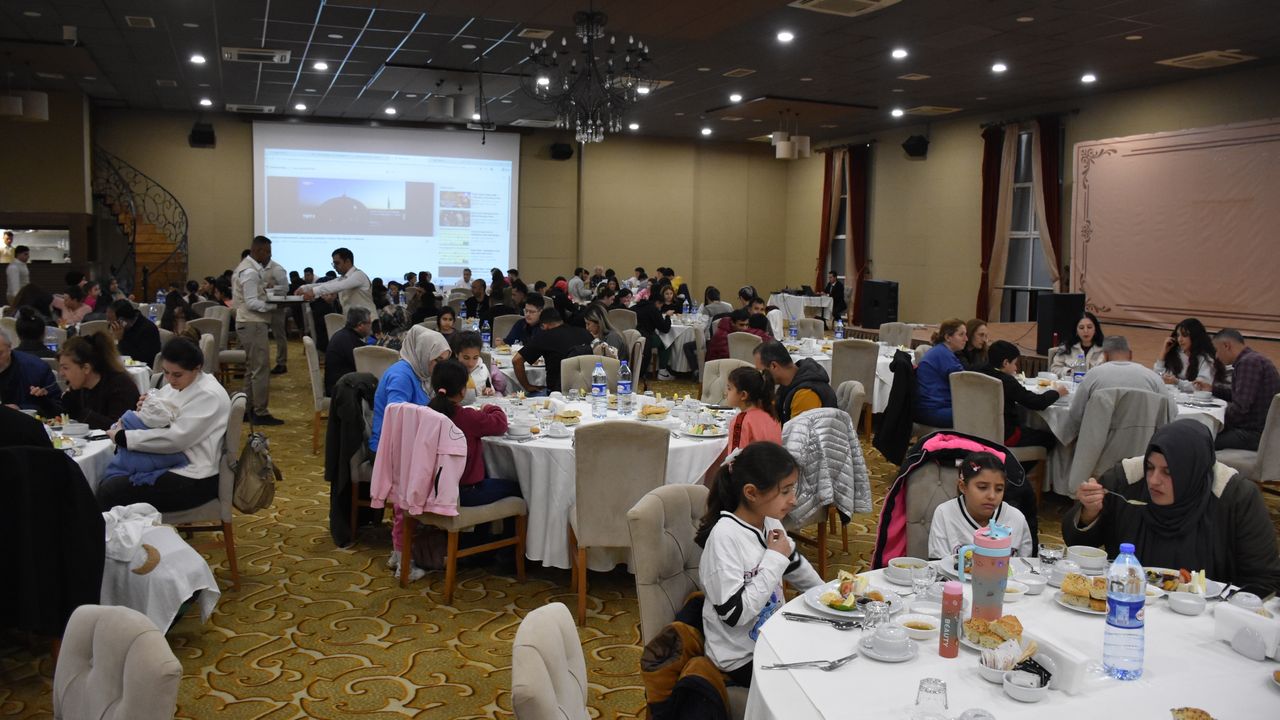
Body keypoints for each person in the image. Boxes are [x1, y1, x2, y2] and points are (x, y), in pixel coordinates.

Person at [1064, 420, 1280, 593]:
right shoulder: (1127, 481)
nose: (1153, 480)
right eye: (1150, 467)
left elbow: (1263, 578)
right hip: (1127, 600)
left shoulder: (1234, 497)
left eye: (1168, 472)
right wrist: (1089, 513)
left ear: (1192, 472)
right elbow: (1079, 546)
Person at [695, 442, 821, 687]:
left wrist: (827, 594)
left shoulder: (769, 521)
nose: (794, 500)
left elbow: (795, 565)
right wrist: (774, 559)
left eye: (792, 489)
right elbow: (734, 614)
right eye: (785, 491)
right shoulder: (725, 537)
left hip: (772, 638)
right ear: (751, 493)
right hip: (739, 658)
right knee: (812, 684)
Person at [97, 337, 232, 513]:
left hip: (196, 476)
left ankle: (112, 530)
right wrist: (145, 409)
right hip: (173, 462)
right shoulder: (179, 385)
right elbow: (159, 416)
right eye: (166, 372)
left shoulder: (209, 395)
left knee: (110, 491)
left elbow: (176, 439)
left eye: (177, 374)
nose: (170, 380)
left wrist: (124, 437)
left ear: (197, 368)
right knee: (104, 477)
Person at [427, 358, 519, 521]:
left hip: (431, 489)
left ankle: (479, 534)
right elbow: (500, 424)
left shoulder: (427, 412)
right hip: (465, 492)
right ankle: (499, 537)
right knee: (518, 488)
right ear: (463, 390)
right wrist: (489, 407)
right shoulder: (466, 417)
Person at [928, 451, 1033, 560]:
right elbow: (937, 564)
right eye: (982, 487)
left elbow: (1026, 566)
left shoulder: (1016, 518)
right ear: (963, 486)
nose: (992, 496)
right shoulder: (945, 513)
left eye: (999, 489)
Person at [369, 325, 451, 453]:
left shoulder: (423, 374)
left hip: (410, 443)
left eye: (445, 361)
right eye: (438, 360)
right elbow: (396, 420)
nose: (442, 367)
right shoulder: (401, 376)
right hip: (387, 450)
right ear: (423, 353)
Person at [1064, 335, 1166, 439]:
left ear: (1105, 356)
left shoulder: (1092, 375)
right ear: (1130, 354)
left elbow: (1076, 414)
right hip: (1143, 445)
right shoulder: (1154, 378)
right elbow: (1169, 414)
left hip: (1098, 444)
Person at [33, 334, 139, 430]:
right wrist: (44, 402)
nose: (61, 373)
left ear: (86, 368)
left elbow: (116, 427)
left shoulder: (120, 385)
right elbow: (65, 416)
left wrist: (78, 411)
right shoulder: (80, 386)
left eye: (65, 368)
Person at [232, 235, 283, 425]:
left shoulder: (247, 268)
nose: (269, 256)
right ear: (258, 250)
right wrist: (274, 306)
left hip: (248, 322)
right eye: (268, 252)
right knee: (261, 369)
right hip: (252, 322)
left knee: (251, 368)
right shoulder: (250, 272)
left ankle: (247, 409)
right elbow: (252, 302)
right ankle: (260, 411)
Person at [1202, 328, 1280, 452]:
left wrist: (1212, 412)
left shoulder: (1249, 363)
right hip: (1257, 429)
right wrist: (1212, 389)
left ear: (1226, 346)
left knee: (1200, 440)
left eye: (1216, 350)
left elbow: (1240, 408)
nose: (1216, 356)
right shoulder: (1252, 359)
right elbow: (1239, 396)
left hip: (1253, 433)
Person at [982, 340, 1064, 450]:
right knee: (1050, 439)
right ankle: (1016, 462)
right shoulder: (1006, 381)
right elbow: (1037, 403)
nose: (1016, 368)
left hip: (978, 432)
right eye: (1014, 363)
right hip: (1005, 435)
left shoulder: (977, 371)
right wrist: (1057, 392)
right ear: (1005, 363)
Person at [752, 341, 836, 423]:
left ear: (773, 366)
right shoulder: (788, 382)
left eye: (762, 372)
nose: (761, 377)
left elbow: (798, 431)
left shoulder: (805, 394)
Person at [512, 308, 592, 395]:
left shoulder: (545, 336)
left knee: (521, 395)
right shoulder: (585, 333)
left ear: (544, 326)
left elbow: (516, 360)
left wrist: (527, 387)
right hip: (588, 390)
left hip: (557, 393)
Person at [915, 318, 968, 427]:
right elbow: (965, 383)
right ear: (948, 337)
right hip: (933, 410)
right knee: (980, 414)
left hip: (928, 408)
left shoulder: (940, 351)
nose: (966, 339)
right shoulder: (943, 354)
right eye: (961, 335)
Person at [0, 326, 62, 413]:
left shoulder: (38, 369)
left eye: (0, 353)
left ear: (10, 348)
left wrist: (21, 409)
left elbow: (58, 407)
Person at [295, 247, 375, 314]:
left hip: (369, 322)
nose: (334, 267)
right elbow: (326, 284)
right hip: (354, 322)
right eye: (333, 264)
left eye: (337, 263)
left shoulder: (358, 275)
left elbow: (339, 286)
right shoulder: (343, 278)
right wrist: (305, 288)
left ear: (347, 261)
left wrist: (313, 291)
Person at [1154, 318, 1222, 392]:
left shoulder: (1206, 359)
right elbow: (1158, 376)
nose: (1180, 339)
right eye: (1178, 335)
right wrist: (1163, 352)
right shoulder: (1176, 354)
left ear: (1195, 336)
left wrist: (1177, 382)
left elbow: (1201, 386)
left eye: (1184, 335)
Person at [724, 367, 782, 451]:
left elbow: (735, 456)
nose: (726, 393)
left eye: (729, 388)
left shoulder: (740, 421)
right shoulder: (771, 415)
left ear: (743, 395)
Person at [324, 307, 372, 395]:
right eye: (369, 323)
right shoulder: (350, 341)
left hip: (339, 385)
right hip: (341, 392)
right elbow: (365, 367)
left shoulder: (343, 335)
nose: (371, 326)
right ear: (360, 325)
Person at [452, 330, 506, 400]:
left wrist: (489, 391)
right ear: (456, 354)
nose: (471, 363)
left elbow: (489, 387)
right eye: (466, 358)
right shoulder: (450, 371)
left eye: (475, 358)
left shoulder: (483, 369)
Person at [1050, 311, 1105, 378]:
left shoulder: (1105, 349)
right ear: (1076, 331)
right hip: (1070, 383)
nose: (1085, 331)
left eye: (1089, 327)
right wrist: (1068, 372)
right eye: (1081, 328)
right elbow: (1054, 369)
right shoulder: (1066, 348)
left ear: (1095, 329)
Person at [634, 288, 674, 380]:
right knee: (666, 342)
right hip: (646, 339)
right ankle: (662, 371)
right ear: (657, 303)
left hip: (633, 337)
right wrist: (667, 316)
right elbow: (665, 329)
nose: (660, 308)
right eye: (660, 305)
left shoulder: (636, 306)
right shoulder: (653, 309)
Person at [107, 299, 161, 365]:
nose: (109, 323)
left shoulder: (148, 329)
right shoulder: (119, 328)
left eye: (110, 320)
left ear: (122, 321)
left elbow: (139, 358)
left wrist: (120, 340)